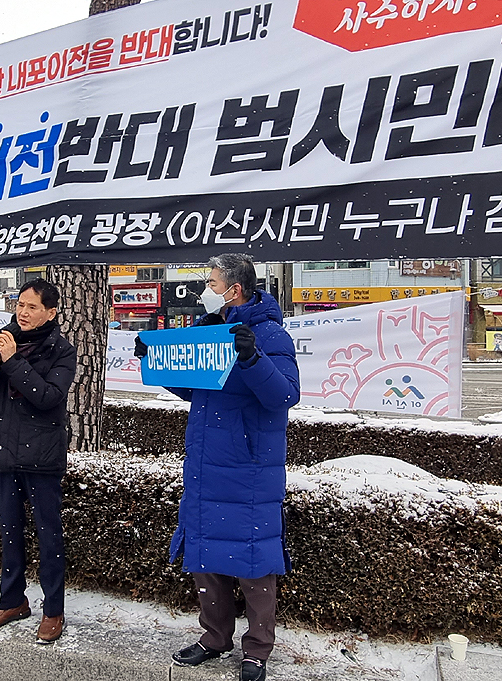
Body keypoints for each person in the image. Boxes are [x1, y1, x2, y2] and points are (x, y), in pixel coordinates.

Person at [135, 253, 300, 681]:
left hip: (248, 469)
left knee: (254, 561)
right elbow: (196, 391)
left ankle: (257, 650)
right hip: (207, 463)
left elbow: (284, 395)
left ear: (235, 290)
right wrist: (151, 359)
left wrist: (252, 358)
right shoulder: (210, 330)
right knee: (205, 553)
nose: (204, 289)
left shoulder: (270, 335)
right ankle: (214, 638)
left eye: (211, 282)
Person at [0, 278, 77, 644]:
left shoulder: (61, 350)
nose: (23, 312)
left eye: (32, 307)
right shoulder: (6, 339)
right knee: (9, 532)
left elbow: (47, 397)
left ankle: (53, 610)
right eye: (19, 304)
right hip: (4, 453)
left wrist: (13, 360)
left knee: (49, 536)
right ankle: (12, 601)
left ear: (51, 311)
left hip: (42, 457)